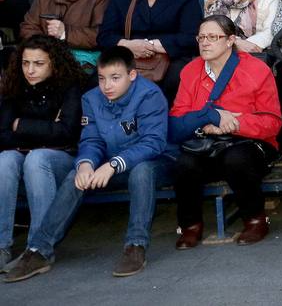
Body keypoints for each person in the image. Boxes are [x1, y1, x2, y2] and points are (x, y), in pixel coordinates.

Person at [2, 46, 171, 282]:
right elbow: (91, 139)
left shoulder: (149, 95)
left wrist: (113, 164)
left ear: (132, 76)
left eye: (115, 78)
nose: (107, 86)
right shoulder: (92, 98)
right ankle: (39, 250)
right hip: (110, 166)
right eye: (102, 78)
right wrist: (85, 164)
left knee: (141, 172)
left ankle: (135, 246)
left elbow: (153, 143)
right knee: (76, 176)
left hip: (153, 163)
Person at [168, 14, 282, 249]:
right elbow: (177, 121)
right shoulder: (190, 70)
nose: (205, 43)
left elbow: (272, 122)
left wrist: (237, 124)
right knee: (184, 163)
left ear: (230, 40)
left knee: (236, 158)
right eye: (201, 37)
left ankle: (254, 219)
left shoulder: (256, 69)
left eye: (213, 37)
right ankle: (190, 226)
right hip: (206, 142)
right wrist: (207, 121)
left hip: (249, 142)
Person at [0, 36, 84, 268]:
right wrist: (47, 129)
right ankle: (1, 246)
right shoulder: (14, 85)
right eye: (26, 63)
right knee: (4, 161)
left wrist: (22, 125)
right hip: (21, 153)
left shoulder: (69, 85)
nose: (30, 70)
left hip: (62, 158)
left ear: (53, 63)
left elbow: (67, 132)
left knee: (36, 159)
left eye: (39, 63)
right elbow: (2, 134)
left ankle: (37, 248)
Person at [98, 0, 202, 96]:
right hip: (129, 54)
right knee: (96, 81)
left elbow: (191, 38)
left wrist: (149, 46)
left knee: (176, 78)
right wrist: (128, 45)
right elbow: (104, 36)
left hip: (170, 57)